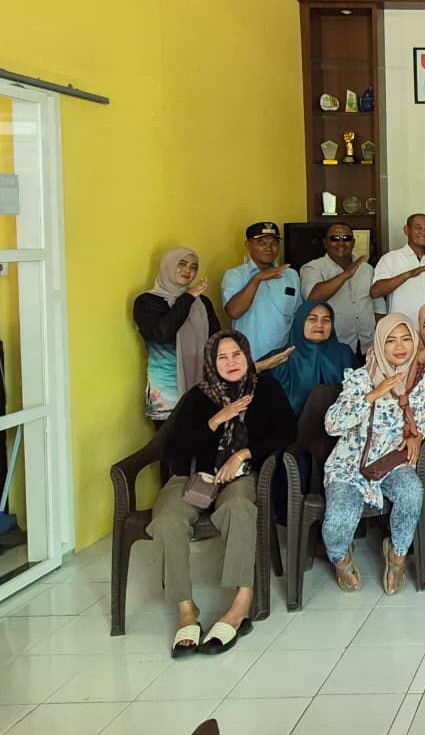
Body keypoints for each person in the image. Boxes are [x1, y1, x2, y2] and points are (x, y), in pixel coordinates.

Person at [150, 330, 294, 655]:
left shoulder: (265, 388)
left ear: (247, 356)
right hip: (194, 476)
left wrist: (242, 454)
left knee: (238, 507)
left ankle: (242, 601)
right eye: (222, 357)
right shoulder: (199, 397)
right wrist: (215, 421)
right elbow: (174, 448)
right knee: (167, 520)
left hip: (240, 474)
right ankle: (186, 609)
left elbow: (287, 432)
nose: (231, 362)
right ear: (212, 363)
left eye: (236, 355)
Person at [322, 313, 425, 594]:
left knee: (412, 492)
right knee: (337, 520)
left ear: (415, 342)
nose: (399, 347)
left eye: (405, 339)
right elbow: (332, 425)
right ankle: (340, 559)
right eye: (390, 340)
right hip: (350, 464)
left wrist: (418, 435)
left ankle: (397, 556)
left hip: (392, 461)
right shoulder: (361, 378)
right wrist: (373, 395)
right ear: (379, 344)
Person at [134, 247, 220, 422]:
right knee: (169, 438)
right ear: (168, 265)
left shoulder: (202, 302)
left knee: (203, 435)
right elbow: (162, 334)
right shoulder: (146, 302)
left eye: (194, 267)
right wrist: (187, 298)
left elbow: (216, 340)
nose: (188, 270)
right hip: (167, 389)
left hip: (202, 385)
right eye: (181, 264)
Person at [221, 221, 303, 361]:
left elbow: (298, 317)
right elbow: (234, 312)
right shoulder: (235, 275)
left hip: (284, 358)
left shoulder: (290, 275)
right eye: (262, 243)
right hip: (250, 358)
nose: (269, 248)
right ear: (248, 245)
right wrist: (257, 279)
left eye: (274, 243)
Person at [300, 222, 375, 356]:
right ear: (325, 243)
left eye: (346, 238)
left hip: (367, 344)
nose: (341, 243)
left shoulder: (367, 268)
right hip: (333, 345)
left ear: (353, 242)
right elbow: (312, 298)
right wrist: (346, 274)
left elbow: (377, 304)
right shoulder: (312, 268)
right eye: (335, 238)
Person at [268, 300, 354, 416]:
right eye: (312, 319)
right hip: (290, 425)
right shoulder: (280, 358)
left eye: (326, 320)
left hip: (341, 423)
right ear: (300, 322)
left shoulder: (344, 353)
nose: (320, 325)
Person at [371, 213, 425, 321]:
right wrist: (408, 274)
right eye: (418, 228)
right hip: (402, 327)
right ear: (406, 230)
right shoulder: (390, 259)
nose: (424, 233)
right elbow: (375, 291)